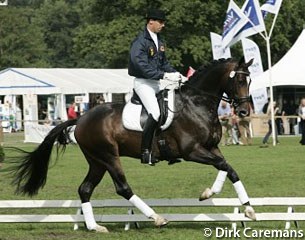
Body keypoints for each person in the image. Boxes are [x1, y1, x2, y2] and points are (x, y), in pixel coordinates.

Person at [128, 9, 181, 165]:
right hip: (143, 83)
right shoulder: (140, 41)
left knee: (170, 111)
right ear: (151, 22)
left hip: (156, 83)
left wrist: (176, 73)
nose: (163, 25)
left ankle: (165, 148)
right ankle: (145, 152)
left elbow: (164, 63)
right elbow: (140, 64)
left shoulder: (160, 41)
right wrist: (164, 75)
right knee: (156, 113)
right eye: (161, 22)